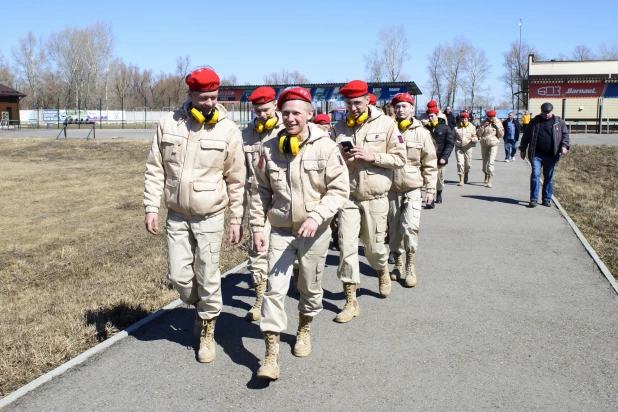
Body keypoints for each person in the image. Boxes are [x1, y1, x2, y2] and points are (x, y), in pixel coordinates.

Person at [143, 67, 245, 363]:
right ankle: (201, 306)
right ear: (190, 95)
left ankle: (208, 329)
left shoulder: (228, 130)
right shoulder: (168, 124)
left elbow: (236, 179)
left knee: (208, 274)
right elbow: (154, 169)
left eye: (213, 97)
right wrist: (151, 207)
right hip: (176, 214)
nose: (209, 103)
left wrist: (236, 219)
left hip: (211, 215)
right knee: (179, 276)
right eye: (203, 98)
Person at [250, 87, 349, 380]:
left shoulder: (326, 147)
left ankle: (304, 328)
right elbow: (259, 192)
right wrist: (258, 226)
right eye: (286, 113)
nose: (291, 118)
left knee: (309, 289)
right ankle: (270, 356)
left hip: (315, 234)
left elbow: (339, 190)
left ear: (309, 114)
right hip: (280, 231)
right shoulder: (268, 147)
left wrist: (317, 216)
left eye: (297, 112)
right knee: (274, 290)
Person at [332, 79, 406, 323]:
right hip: (348, 197)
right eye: (348, 103)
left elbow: (400, 159)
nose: (352, 108)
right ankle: (351, 301)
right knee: (347, 247)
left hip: (376, 197)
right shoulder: (340, 127)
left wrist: (372, 156)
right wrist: (341, 155)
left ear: (367, 100)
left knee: (374, 249)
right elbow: (330, 161)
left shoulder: (386, 124)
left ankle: (382, 269)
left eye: (357, 102)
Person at [241, 86, 286, 322]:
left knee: (286, 249)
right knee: (257, 249)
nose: (263, 115)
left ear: (275, 105)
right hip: (257, 198)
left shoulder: (288, 129)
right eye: (258, 111)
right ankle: (260, 297)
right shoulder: (247, 134)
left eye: (266, 110)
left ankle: (287, 286)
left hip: (283, 199)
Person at [388, 93, 437, 287]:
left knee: (410, 226)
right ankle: (397, 263)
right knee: (394, 230)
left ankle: (410, 265)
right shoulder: (387, 130)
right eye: (397, 106)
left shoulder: (422, 133)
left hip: (413, 187)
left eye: (404, 106)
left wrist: (430, 190)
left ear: (412, 109)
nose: (400, 109)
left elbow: (430, 162)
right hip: (390, 187)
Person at [519, 102, 569, 208]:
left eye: (548, 112)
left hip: (551, 155)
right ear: (541, 111)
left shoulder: (559, 122)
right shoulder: (534, 122)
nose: (546, 114)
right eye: (544, 112)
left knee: (548, 177)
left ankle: (546, 199)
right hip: (536, 154)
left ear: (552, 111)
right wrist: (523, 149)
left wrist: (564, 146)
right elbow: (526, 136)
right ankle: (533, 199)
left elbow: (565, 136)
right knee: (535, 175)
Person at [425, 107, 454, 204]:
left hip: (440, 158)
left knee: (440, 179)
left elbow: (450, 144)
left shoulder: (445, 128)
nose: (430, 118)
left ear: (437, 116)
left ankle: (439, 192)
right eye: (429, 116)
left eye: (432, 116)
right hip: (428, 159)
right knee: (429, 178)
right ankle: (430, 198)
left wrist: (444, 157)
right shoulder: (425, 128)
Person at [477, 110, 504, 188]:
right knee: (485, 162)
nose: (491, 118)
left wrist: (497, 127)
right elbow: (479, 134)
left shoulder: (498, 123)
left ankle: (490, 179)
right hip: (484, 144)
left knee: (491, 162)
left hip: (493, 144)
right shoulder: (483, 122)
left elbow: (501, 135)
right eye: (489, 117)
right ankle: (485, 173)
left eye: (492, 117)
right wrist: (483, 127)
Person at [452, 111, 478, 185]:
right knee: (460, 163)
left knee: (468, 164)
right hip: (459, 147)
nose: (463, 120)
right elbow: (452, 137)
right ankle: (461, 179)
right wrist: (455, 142)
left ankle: (466, 173)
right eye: (462, 119)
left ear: (468, 119)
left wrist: (473, 139)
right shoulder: (456, 128)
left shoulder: (472, 127)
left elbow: (475, 136)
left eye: (465, 119)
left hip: (468, 147)